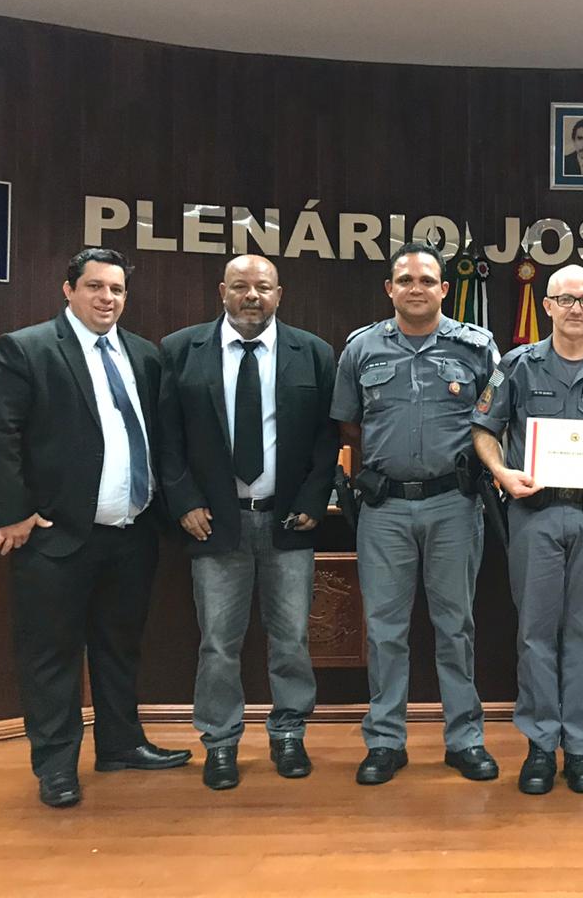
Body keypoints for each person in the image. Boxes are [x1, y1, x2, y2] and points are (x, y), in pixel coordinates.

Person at [0, 248, 190, 809]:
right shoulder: (28, 348)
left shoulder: (143, 355)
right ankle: (57, 766)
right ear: (68, 290)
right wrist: (14, 511)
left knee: (119, 648)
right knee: (52, 656)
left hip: (131, 533)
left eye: (116, 290)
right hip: (56, 536)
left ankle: (120, 745)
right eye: (94, 287)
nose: (107, 299)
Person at [471, 263, 583, 795]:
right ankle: (538, 745)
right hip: (536, 516)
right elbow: (484, 429)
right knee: (534, 634)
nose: (576, 308)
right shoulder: (517, 366)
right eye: (565, 298)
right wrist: (502, 471)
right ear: (547, 306)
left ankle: (581, 748)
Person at [158, 255, 337, 791]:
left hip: (289, 521)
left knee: (292, 637)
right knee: (217, 641)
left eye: (262, 287)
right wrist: (183, 500)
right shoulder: (181, 350)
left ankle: (288, 733)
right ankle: (220, 741)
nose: (251, 296)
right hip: (215, 521)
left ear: (280, 294)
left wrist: (313, 496)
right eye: (240, 287)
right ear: (222, 292)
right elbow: (167, 439)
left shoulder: (314, 353)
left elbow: (329, 440)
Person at [331, 241, 501, 785]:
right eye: (405, 280)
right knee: (385, 629)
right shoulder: (361, 349)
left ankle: (465, 738)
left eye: (427, 280)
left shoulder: (477, 347)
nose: (416, 289)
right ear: (390, 289)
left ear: (444, 289)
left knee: (456, 626)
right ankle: (385, 741)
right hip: (384, 509)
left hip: (455, 503)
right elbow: (349, 427)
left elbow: (493, 421)